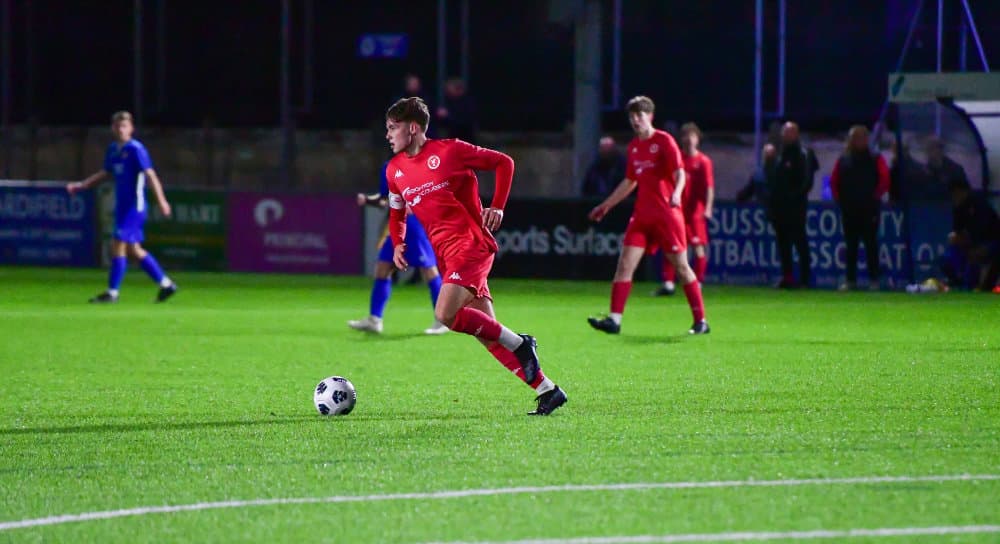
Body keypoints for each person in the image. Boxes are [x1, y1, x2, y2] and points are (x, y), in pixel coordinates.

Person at [384, 97, 567, 415]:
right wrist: (398, 243)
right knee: (487, 333)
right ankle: (548, 390)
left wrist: (497, 205)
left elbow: (504, 162)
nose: (388, 134)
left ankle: (522, 343)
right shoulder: (394, 170)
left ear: (413, 128)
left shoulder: (449, 151)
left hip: (471, 245)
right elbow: (397, 211)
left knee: (445, 314)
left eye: (393, 128)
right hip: (446, 256)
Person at [586, 96, 708, 335]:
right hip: (642, 216)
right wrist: (607, 205)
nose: (635, 121)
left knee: (682, 267)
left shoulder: (664, 141)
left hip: (666, 215)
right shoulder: (633, 147)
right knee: (624, 265)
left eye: (639, 116)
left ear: (650, 116)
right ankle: (614, 320)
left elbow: (680, 173)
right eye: (632, 117)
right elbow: (630, 181)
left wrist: (677, 193)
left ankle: (701, 320)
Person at [66, 111, 177, 303]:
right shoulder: (113, 150)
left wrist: (162, 201)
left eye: (124, 126)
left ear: (131, 129)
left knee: (117, 243)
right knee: (134, 249)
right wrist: (83, 185)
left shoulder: (136, 149)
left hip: (135, 207)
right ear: (112, 128)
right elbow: (105, 173)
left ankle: (112, 292)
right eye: (117, 126)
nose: (120, 130)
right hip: (123, 207)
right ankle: (166, 284)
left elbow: (150, 175)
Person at [348, 162, 448, 335]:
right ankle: (374, 320)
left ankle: (443, 320)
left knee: (428, 270)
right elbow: (384, 199)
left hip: (415, 223)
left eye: (394, 133)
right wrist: (369, 200)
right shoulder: (388, 167)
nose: (390, 136)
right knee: (382, 268)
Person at [829, 125, 890, 291]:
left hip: (869, 209)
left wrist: (875, 196)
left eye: (861, 137)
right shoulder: (843, 159)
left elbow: (885, 179)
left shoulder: (875, 158)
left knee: (871, 245)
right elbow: (834, 180)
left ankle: (874, 280)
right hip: (849, 209)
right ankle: (850, 280)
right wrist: (839, 199)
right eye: (855, 137)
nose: (858, 140)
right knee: (851, 245)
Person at [656, 123, 714, 295]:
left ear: (698, 139)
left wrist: (708, 207)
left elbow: (709, 187)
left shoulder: (703, 161)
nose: (689, 140)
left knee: (698, 248)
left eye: (693, 136)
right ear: (681, 139)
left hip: (695, 213)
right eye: (686, 136)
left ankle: (699, 281)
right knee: (671, 246)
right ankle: (668, 283)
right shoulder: (678, 158)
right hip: (677, 210)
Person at [765, 121, 818, 288]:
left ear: (796, 134)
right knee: (783, 244)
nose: (786, 135)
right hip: (779, 209)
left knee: (800, 241)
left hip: (796, 208)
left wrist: (794, 198)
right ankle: (787, 277)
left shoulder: (804, 153)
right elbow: (771, 181)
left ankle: (805, 278)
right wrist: (768, 162)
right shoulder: (778, 155)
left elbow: (807, 181)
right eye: (784, 132)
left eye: (790, 132)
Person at [942, 180, 1000, 291]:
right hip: (971, 244)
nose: (954, 197)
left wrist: (977, 246)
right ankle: (958, 285)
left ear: (964, 192)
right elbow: (957, 231)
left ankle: (981, 287)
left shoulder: (979, 204)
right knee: (947, 259)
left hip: (991, 242)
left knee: (977, 256)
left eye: (956, 193)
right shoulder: (958, 208)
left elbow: (987, 230)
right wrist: (955, 238)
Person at [436, 78, 478, 143]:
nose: (447, 92)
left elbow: (463, 122)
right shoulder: (451, 101)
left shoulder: (468, 103)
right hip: (454, 139)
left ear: (458, 89)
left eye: (449, 90)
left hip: (465, 139)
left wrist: (447, 116)